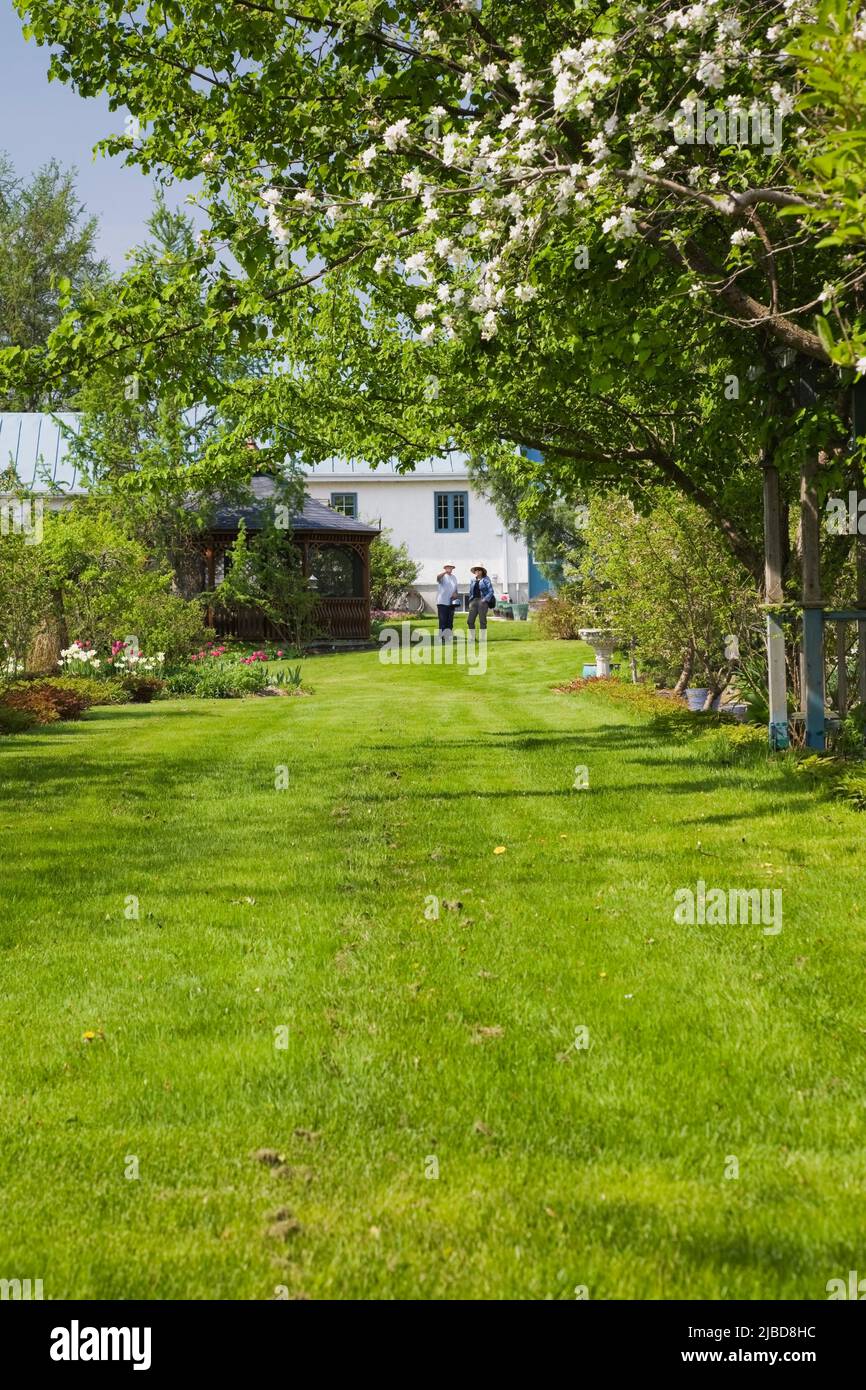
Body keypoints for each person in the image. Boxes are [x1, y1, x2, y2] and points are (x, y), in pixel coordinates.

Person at [467, 566, 495, 633]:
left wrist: (485, 599)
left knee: (482, 621)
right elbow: (471, 592)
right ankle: (472, 638)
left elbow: (491, 591)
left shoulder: (486, 579)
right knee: (470, 621)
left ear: (482, 571)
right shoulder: (472, 580)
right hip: (474, 602)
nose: (477, 571)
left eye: (479, 570)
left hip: (483, 602)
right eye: (476, 570)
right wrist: (470, 601)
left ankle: (482, 639)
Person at [435, 564, 459, 636]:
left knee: (450, 621)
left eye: (451, 567)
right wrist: (445, 572)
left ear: (452, 568)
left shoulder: (454, 577)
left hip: (451, 603)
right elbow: (438, 578)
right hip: (442, 602)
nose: (450, 568)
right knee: (443, 621)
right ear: (445, 568)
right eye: (448, 567)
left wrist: (455, 593)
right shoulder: (442, 576)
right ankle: (442, 637)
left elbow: (456, 589)